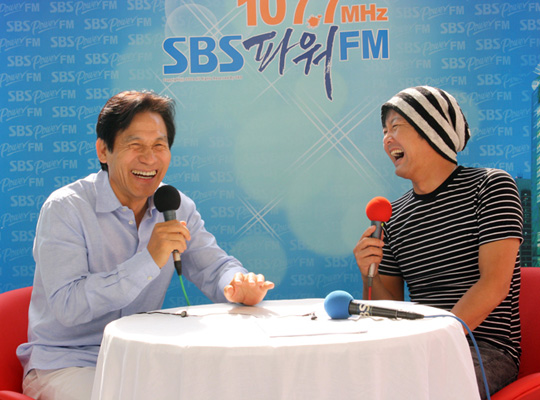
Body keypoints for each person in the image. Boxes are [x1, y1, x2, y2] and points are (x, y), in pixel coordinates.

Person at [17, 90, 275, 400]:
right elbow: (69, 306)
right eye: (135, 145)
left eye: (159, 146)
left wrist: (237, 283)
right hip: (68, 363)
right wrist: (148, 259)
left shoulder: (175, 206)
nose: (149, 158)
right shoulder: (65, 208)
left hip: (142, 359)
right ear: (104, 150)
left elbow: (216, 267)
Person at [353, 86, 523, 399]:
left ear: (432, 129)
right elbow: (390, 309)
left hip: (484, 349)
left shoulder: (491, 186)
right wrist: (369, 274)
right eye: (384, 131)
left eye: (396, 127)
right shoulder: (394, 215)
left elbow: (494, 285)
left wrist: (434, 342)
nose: (386, 139)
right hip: (421, 348)